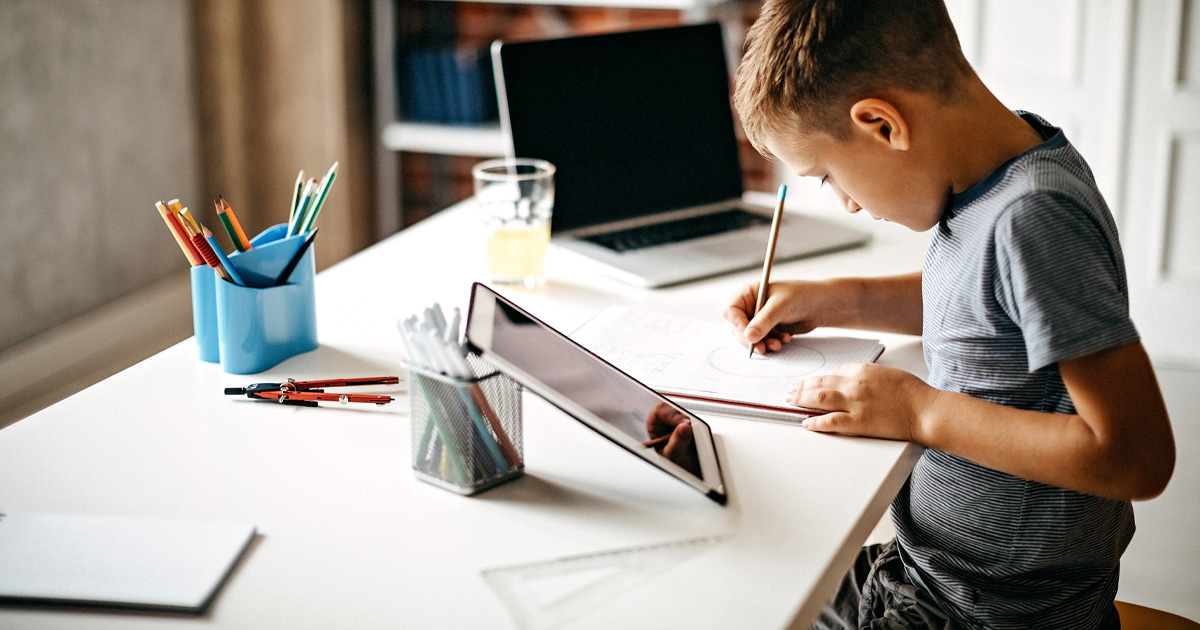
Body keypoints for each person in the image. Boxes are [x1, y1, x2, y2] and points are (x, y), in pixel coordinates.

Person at [725, 1, 1176, 628]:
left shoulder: (1035, 217)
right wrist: (837, 297)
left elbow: (1135, 455)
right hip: (929, 572)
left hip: (992, 611)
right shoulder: (994, 176)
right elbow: (986, 303)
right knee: (762, 589)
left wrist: (919, 411)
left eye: (828, 175)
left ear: (882, 125)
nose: (847, 204)